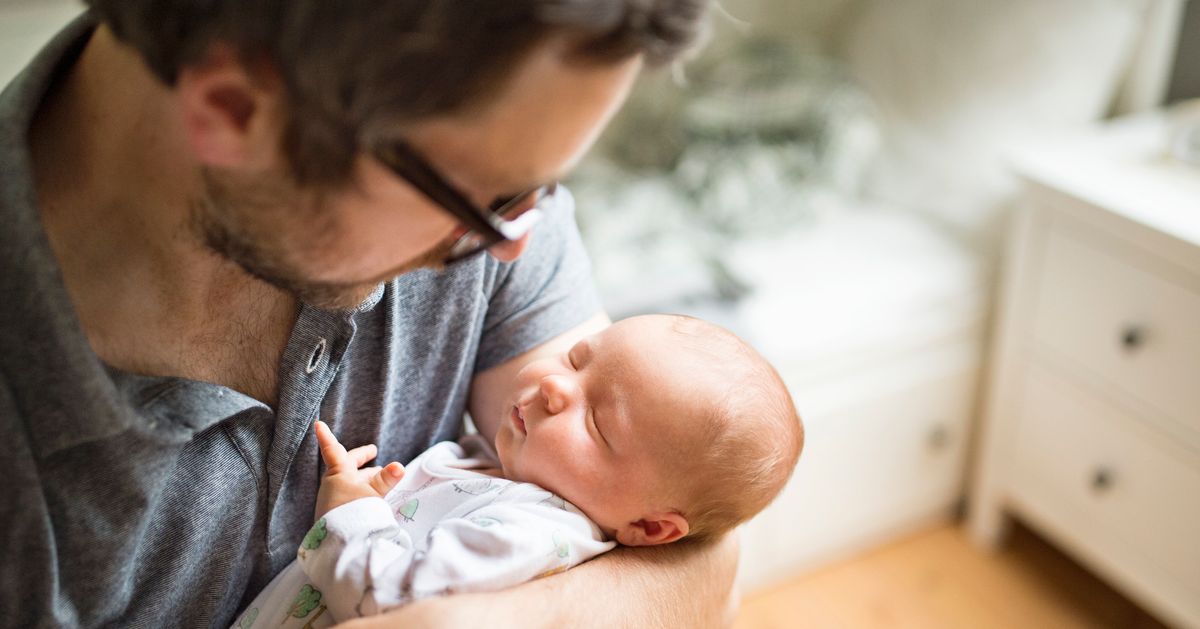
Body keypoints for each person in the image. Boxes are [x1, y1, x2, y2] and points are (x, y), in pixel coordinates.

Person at [0, 1, 747, 628]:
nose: (514, 245)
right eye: (492, 201)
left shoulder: (460, 178)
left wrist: (467, 622)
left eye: (534, 194)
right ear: (234, 113)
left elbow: (701, 547)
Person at [234, 314, 803, 628]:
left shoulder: (536, 533)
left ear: (651, 528)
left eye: (600, 423)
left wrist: (351, 514)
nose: (556, 386)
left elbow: (392, 601)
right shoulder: (512, 467)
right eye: (579, 358)